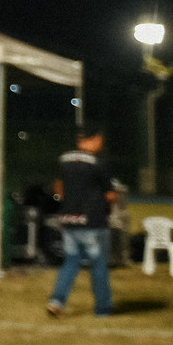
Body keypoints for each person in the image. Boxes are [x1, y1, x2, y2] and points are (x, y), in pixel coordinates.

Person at [46, 126, 117, 318]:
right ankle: (102, 308)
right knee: (99, 264)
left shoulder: (64, 159)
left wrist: (66, 202)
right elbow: (110, 195)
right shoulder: (98, 162)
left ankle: (56, 301)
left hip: (69, 220)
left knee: (70, 262)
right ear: (94, 139)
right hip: (93, 222)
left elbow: (58, 185)